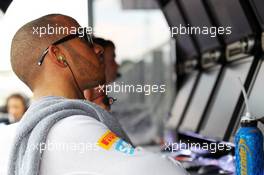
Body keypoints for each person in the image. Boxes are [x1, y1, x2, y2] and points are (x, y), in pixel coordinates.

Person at [0, 14, 188, 175]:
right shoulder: (72, 127)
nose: (97, 48)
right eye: (84, 38)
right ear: (58, 55)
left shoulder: (9, 137)